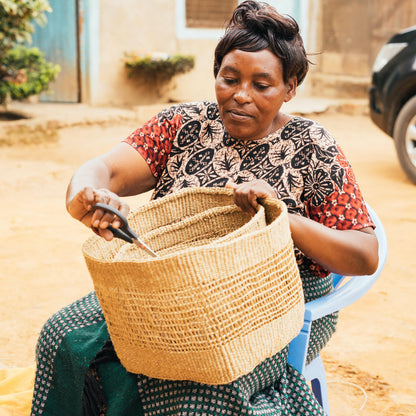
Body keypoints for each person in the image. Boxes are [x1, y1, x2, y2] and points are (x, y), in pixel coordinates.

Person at [30, 1, 379, 415]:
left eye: (262, 85)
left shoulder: (313, 146)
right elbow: (106, 169)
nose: (240, 96)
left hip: (274, 301)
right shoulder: (184, 126)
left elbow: (364, 253)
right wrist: (88, 193)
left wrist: (280, 219)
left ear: (291, 86)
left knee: (196, 386)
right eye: (229, 79)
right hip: (170, 289)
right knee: (63, 337)